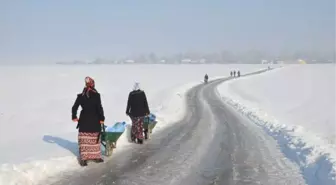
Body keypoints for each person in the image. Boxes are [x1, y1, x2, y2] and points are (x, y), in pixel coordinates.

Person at [72, 76, 105, 166]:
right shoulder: (96, 95)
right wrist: (102, 118)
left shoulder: (81, 96)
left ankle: (84, 158)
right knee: (94, 138)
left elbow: (74, 107)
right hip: (95, 120)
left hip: (84, 120)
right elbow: (99, 108)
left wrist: (74, 116)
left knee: (84, 139)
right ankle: (96, 157)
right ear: (93, 84)